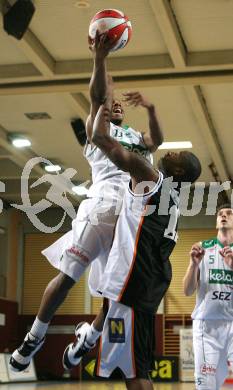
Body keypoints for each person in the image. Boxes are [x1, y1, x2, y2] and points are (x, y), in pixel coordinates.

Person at [9, 31, 163, 372]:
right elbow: (97, 95)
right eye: (111, 101)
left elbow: (157, 139)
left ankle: (86, 341)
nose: (116, 103)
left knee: (117, 292)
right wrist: (100, 58)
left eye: (118, 102)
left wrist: (151, 108)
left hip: (129, 217)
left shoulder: (135, 138)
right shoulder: (97, 127)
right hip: (102, 207)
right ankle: (35, 337)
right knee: (68, 275)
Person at [62, 76, 202, 389]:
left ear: (178, 171)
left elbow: (100, 139)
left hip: (132, 282)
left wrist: (100, 108)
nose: (168, 153)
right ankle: (86, 341)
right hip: (146, 282)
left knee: (135, 372)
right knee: (127, 357)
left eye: (175, 156)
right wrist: (149, 108)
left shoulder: (149, 176)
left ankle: (86, 340)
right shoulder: (174, 199)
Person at [183, 204, 233, 390]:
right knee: (207, 386)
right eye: (220, 214)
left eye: (229, 213)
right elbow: (187, 291)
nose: (224, 216)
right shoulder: (202, 248)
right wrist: (193, 265)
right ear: (216, 223)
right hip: (207, 327)